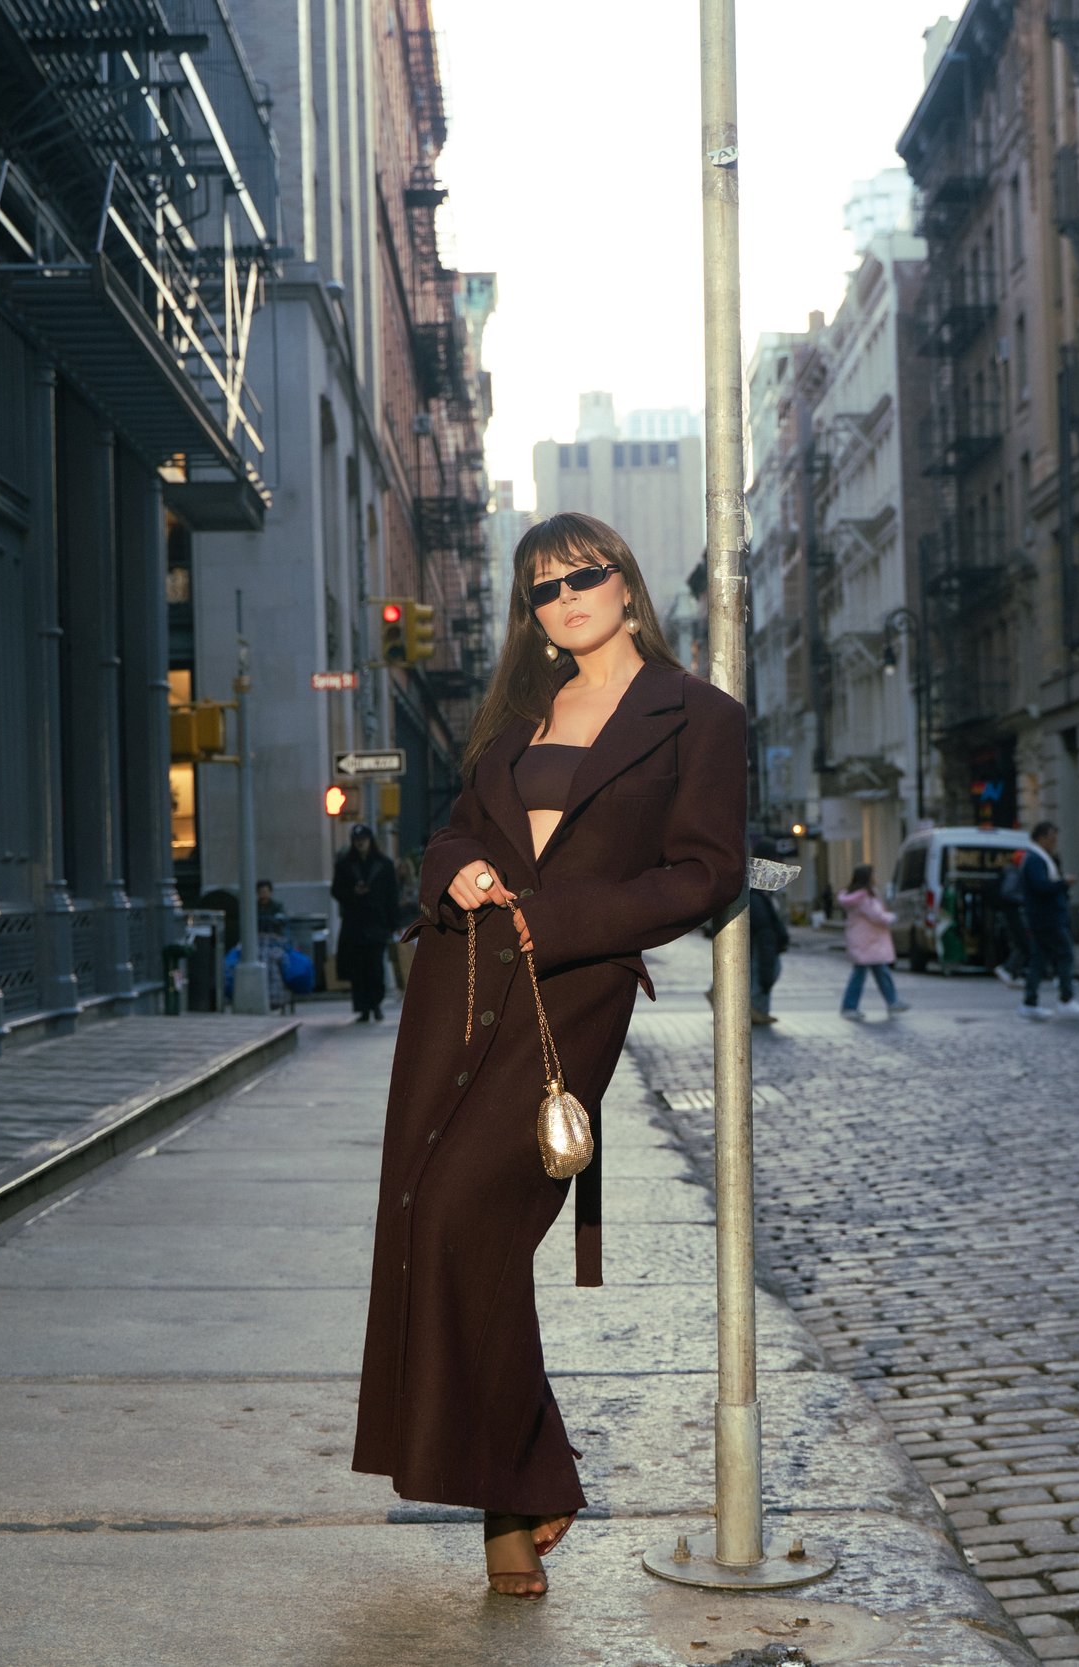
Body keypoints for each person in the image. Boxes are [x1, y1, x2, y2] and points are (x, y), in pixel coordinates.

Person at [352, 513, 747, 1600]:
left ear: (627, 583)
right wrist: (458, 874)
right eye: (541, 588)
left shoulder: (698, 715)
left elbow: (704, 871)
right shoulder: (518, 712)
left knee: (465, 1214)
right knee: (432, 1217)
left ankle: (520, 1484)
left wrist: (560, 919)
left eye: (584, 575)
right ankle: (511, 1500)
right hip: (460, 982)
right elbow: (452, 829)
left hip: (570, 994)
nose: (566, 597)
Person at [1018, 823, 1079, 1020]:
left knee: (1039, 960)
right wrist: (1063, 883)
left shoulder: (1035, 858)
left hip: (1042, 917)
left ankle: (1030, 1002)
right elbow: (1041, 886)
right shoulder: (1035, 859)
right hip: (1047, 917)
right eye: (1052, 839)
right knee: (1065, 953)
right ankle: (1066, 998)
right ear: (1042, 838)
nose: (1054, 843)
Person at [330, 823, 400, 1022]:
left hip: (377, 921)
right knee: (358, 968)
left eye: (363, 840)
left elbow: (391, 895)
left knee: (375, 967)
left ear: (370, 841)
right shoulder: (345, 865)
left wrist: (393, 923)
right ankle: (363, 1008)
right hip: (355, 923)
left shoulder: (384, 865)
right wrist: (353, 892)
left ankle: (376, 1004)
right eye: (357, 841)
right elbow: (336, 890)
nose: (360, 844)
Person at [836, 863, 909, 1018]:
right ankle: (850, 1007)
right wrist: (893, 917)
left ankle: (891, 1002)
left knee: (878, 972)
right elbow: (877, 916)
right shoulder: (864, 898)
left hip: (864, 940)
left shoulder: (855, 896)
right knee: (866, 974)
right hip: (870, 941)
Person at [750, 849, 792, 1026]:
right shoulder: (757, 893)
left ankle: (759, 1010)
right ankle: (755, 1010)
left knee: (765, 972)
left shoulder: (763, 894)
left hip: (767, 937)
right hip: (764, 937)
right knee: (763, 973)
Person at [993, 849, 1032, 986]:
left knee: (1021, 944)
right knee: (1022, 943)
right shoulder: (1013, 873)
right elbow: (1008, 892)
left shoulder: (1012, 871)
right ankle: (1008, 969)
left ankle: (1013, 973)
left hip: (1013, 912)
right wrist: (1025, 899)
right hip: (1014, 913)